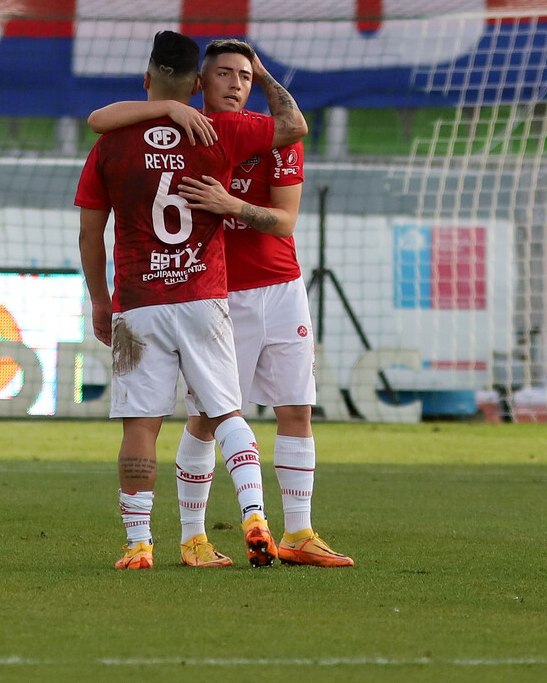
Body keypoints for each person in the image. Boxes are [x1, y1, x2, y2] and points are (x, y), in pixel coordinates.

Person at [89, 39, 353, 568]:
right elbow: (295, 122)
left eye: (246, 77)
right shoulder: (215, 133)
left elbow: (284, 222)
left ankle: (294, 531)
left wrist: (232, 205)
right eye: (225, 74)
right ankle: (202, 532)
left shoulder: (253, 134)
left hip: (273, 287)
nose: (237, 84)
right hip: (213, 293)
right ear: (199, 84)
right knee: (212, 415)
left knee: (295, 408)